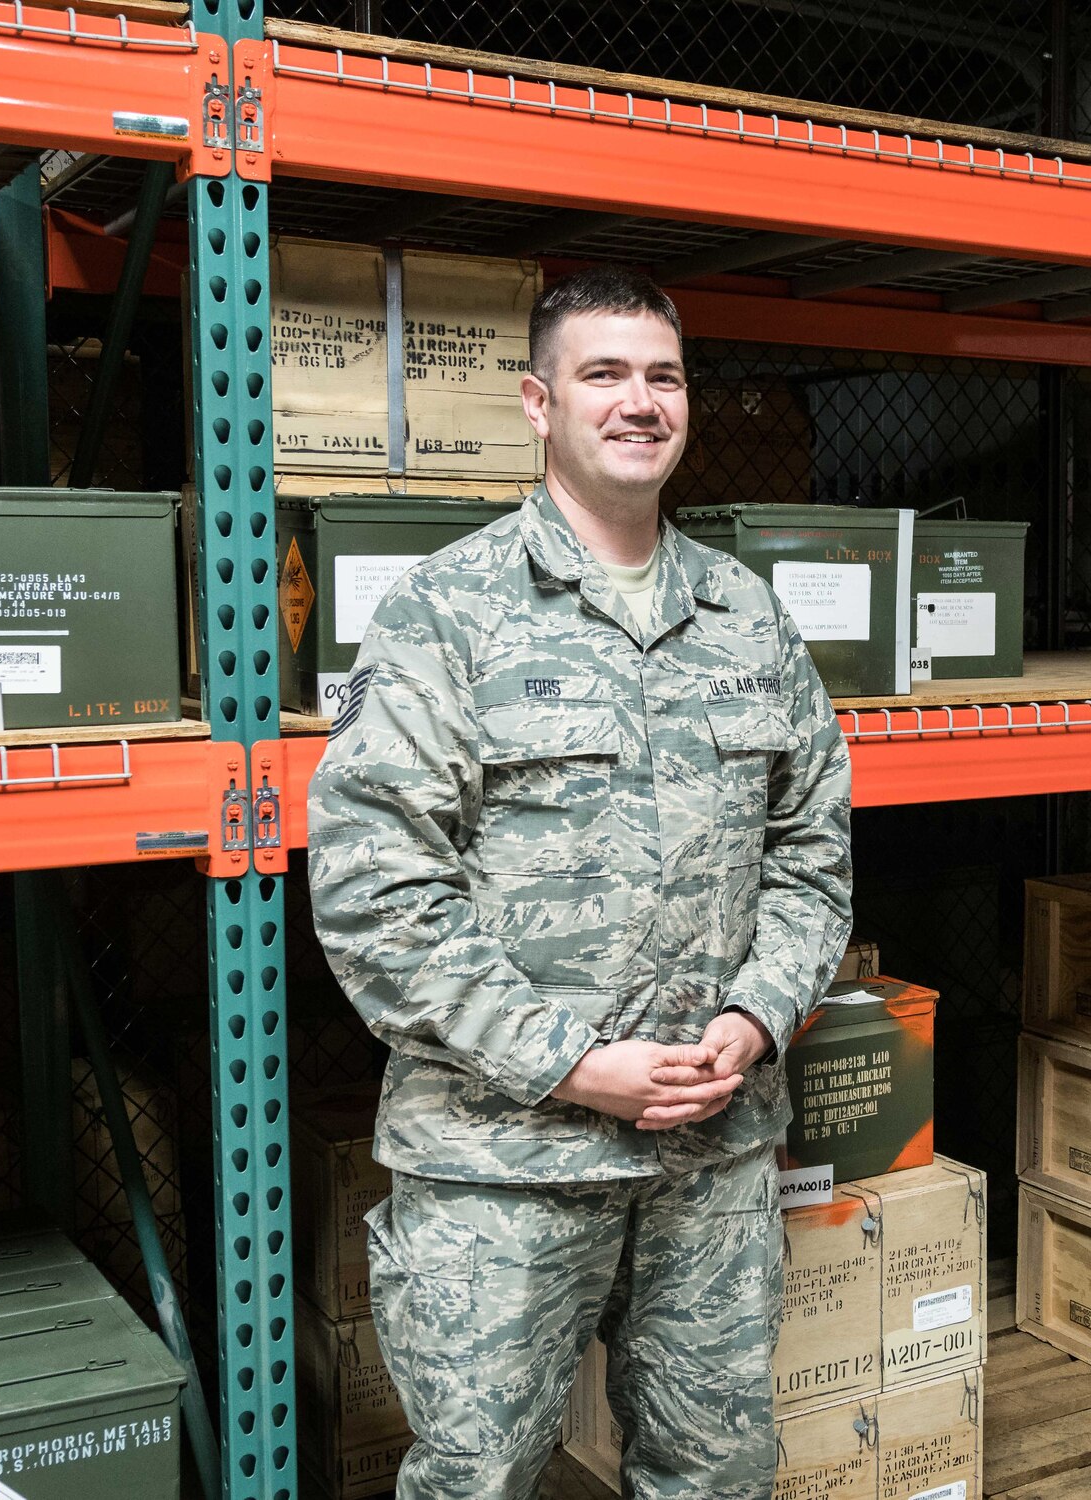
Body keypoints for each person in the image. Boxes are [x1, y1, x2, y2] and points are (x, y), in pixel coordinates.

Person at [306, 265, 853, 1500]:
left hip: (708, 1161)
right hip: (508, 1163)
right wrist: (568, 1060)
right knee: (478, 1479)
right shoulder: (447, 613)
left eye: (662, 376)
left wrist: (753, 1018)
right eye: (602, 373)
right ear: (538, 403)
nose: (638, 401)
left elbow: (812, 858)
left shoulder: (747, 617)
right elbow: (376, 893)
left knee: (715, 1476)